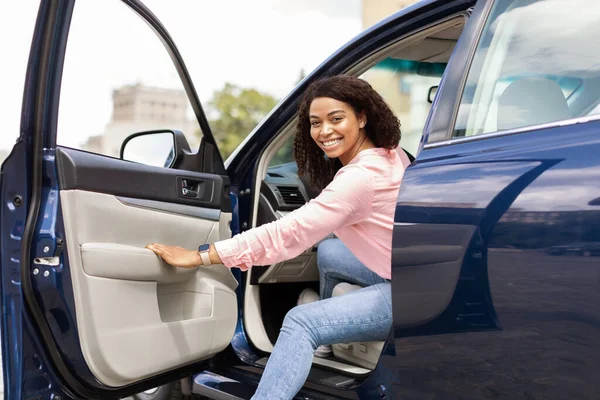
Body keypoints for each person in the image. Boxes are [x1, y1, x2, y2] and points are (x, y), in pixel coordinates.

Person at [146, 75, 411, 399]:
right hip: (404, 267)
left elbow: (288, 233)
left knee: (301, 322)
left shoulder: (358, 180)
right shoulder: (390, 153)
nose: (324, 131)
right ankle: (329, 341)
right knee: (329, 252)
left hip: (407, 295)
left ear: (362, 117)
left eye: (336, 119)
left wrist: (203, 255)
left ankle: (317, 336)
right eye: (316, 122)